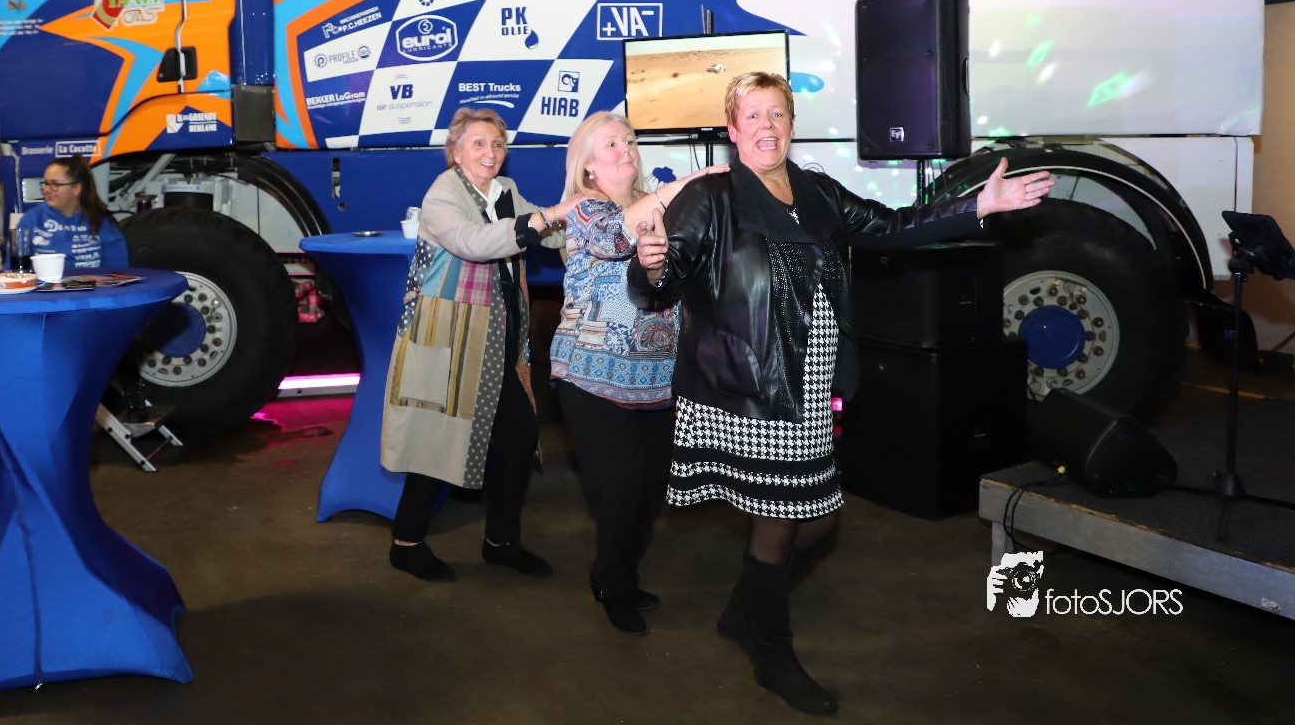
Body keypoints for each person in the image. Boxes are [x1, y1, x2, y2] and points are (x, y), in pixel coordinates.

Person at [629, 72, 1052, 714]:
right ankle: (772, 654)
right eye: (753, 115)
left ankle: (746, 611)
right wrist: (651, 264)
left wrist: (977, 206)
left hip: (814, 385)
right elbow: (662, 280)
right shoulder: (710, 198)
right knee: (777, 526)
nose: (767, 125)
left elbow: (892, 226)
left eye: (777, 113)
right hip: (751, 390)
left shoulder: (817, 192)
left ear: (791, 125)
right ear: (733, 129)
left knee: (821, 519)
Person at [381, 107, 586, 583]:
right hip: (450, 335)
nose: (490, 152)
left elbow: (547, 233)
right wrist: (547, 217)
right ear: (456, 152)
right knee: (435, 442)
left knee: (518, 437)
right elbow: (473, 242)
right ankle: (405, 544)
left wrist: (585, 219)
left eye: (496, 144)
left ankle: (501, 543)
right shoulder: (443, 193)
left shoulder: (505, 191)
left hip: (498, 340)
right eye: (478, 143)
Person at [550, 112, 726, 635]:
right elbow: (614, 237)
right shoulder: (584, 209)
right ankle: (615, 587)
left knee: (650, 490)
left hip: (656, 380)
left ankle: (614, 572)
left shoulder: (655, 204)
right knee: (623, 488)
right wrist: (690, 184)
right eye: (611, 143)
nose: (625, 147)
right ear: (588, 165)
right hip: (590, 377)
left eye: (628, 140)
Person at [14, 156, 127, 270]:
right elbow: (15, 269)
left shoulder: (100, 219)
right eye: (46, 183)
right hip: (44, 281)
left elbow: (117, 269)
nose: (46, 190)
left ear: (76, 188)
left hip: (93, 281)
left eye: (55, 184)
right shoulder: (32, 219)